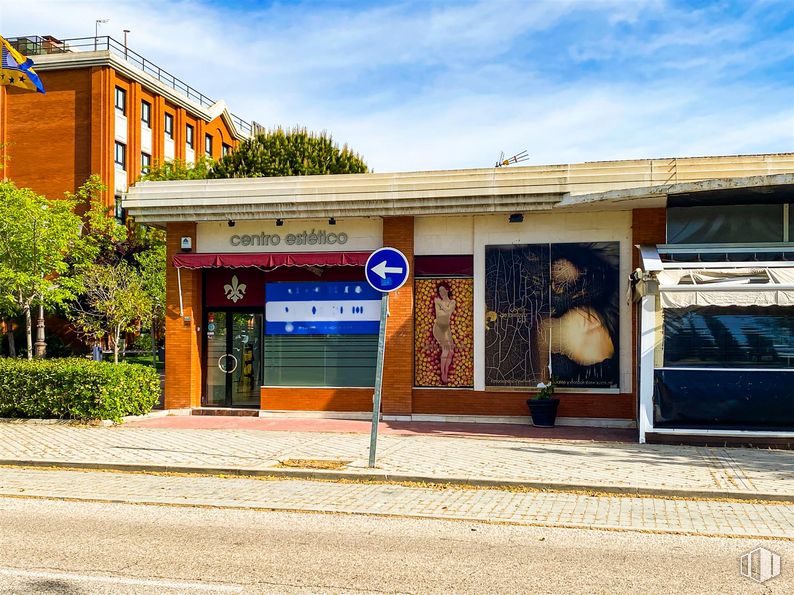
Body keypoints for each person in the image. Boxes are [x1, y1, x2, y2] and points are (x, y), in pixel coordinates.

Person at [432, 283, 456, 384]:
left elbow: (448, 313)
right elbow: (440, 314)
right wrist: (444, 309)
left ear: (447, 290)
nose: (441, 292)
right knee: (446, 350)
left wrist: (442, 306)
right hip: (438, 327)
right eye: (439, 291)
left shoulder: (452, 302)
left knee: (451, 352)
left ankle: (445, 369)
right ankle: (443, 373)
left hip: (446, 328)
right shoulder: (437, 301)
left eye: (443, 290)